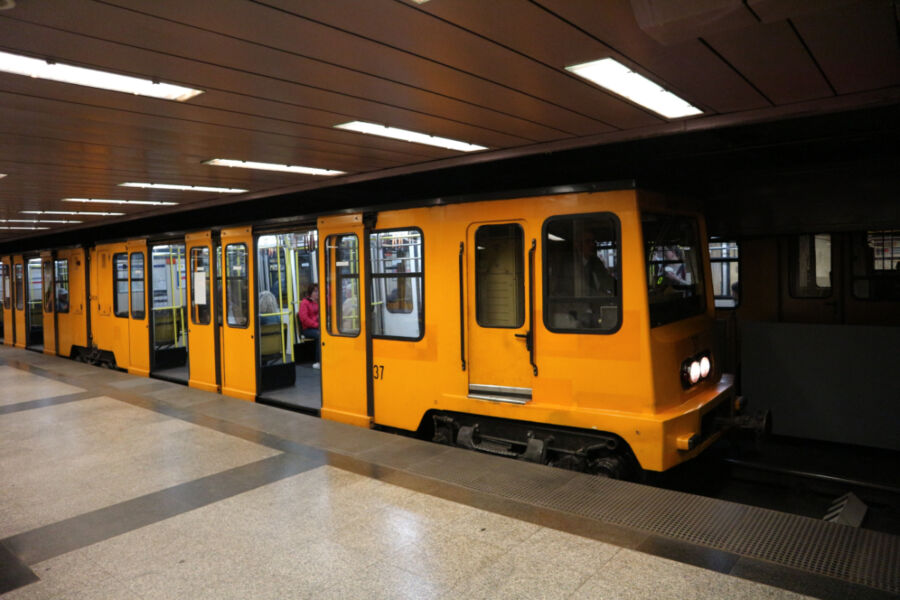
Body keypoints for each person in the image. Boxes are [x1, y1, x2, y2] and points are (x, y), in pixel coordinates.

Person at [298, 284, 320, 369]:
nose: (317, 293)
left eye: (318, 291)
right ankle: (318, 361)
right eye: (315, 291)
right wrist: (316, 325)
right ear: (311, 292)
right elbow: (304, 319)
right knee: (320, 335)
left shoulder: (319, 302)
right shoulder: (304, 303)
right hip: (307, 329)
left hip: (317, 327)